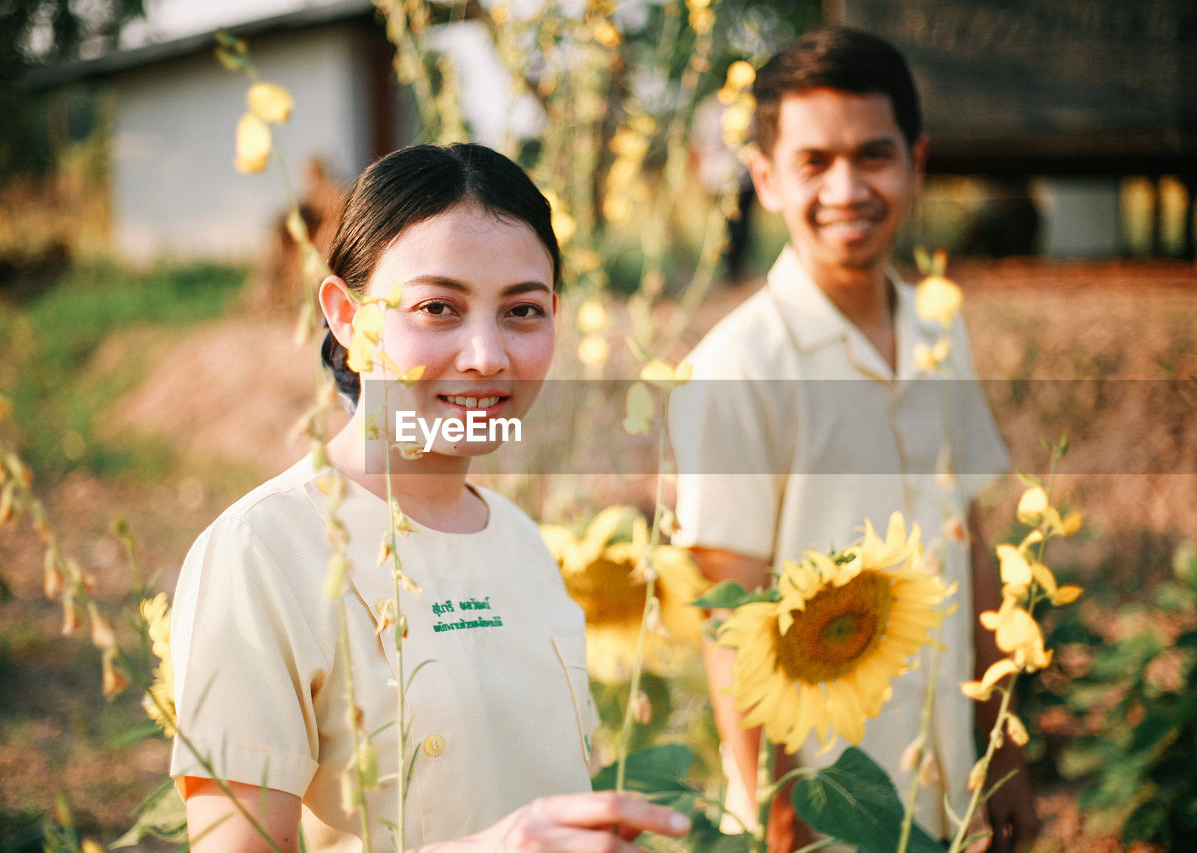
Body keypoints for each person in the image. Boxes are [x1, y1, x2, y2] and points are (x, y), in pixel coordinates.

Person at [169, 143, 691, 852]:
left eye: (523, 310)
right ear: (346, 319)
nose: (487, 354)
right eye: (438, 307)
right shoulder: (262, 552)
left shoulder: (521, 541)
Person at [668, 27, 1039, 851]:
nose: (847, 187)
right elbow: (730, 611)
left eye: (874, 155)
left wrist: (1003, 747)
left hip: (945, 773)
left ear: (917, 161)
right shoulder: (735, 367)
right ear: (764, 177)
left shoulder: (939, 328)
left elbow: (971, 542)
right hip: (825, 802)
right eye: (814, 162)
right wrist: (778, 807)